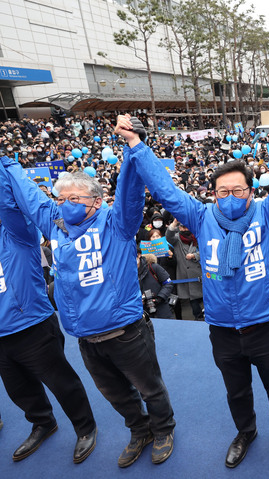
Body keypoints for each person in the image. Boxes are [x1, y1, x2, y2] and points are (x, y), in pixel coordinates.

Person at [124, 101, 269, 469]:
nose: (230, 197)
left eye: (238, 190)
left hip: (265, 323)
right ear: (212, 194)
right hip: (223, 328)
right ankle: (246, 432)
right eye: (222, 191)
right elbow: (165, 190)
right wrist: (135, 146)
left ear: (251, 192)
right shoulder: (200, 216)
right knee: (236, 390)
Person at [0, 118, 176, 468]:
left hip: (126, 333)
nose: (64, 203)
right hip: (86, 338)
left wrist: (131, 147)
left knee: (149, 388)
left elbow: (128, 190)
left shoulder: (117, 223)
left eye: (73, 198)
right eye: (60, 197)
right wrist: (6, 161)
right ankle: (138, 430)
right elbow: (29, 196)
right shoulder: (57, 224)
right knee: (114, 394)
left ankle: (163, 430)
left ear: (96, 200)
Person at [0, 162, 97, 464]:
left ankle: (85, 427)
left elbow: (7, 202)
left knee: (61, 382)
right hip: (2, 336)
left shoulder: (15, 232)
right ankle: (43, 422)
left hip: (32, 324)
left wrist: (4, 162)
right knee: (19, 389)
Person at [166, 219, 204, 319]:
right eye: (182, 227)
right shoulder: (177, 239)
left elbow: (207, 251)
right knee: (192, 298)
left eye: (186, 227)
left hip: (199, 272)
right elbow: (169, 237)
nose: (185, 229)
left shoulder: (198, 236)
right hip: (185, 274)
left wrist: (195, 255)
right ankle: (198, 316)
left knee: (205, 296)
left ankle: (207, 315)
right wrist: (174, 223)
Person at [137, 251, 175, 319]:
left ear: (139, 255)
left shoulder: (153, 267)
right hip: (143, 312)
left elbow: (168, 283)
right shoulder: (128, 273)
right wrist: (138, 299)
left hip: (162, 309)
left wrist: (159, 298)